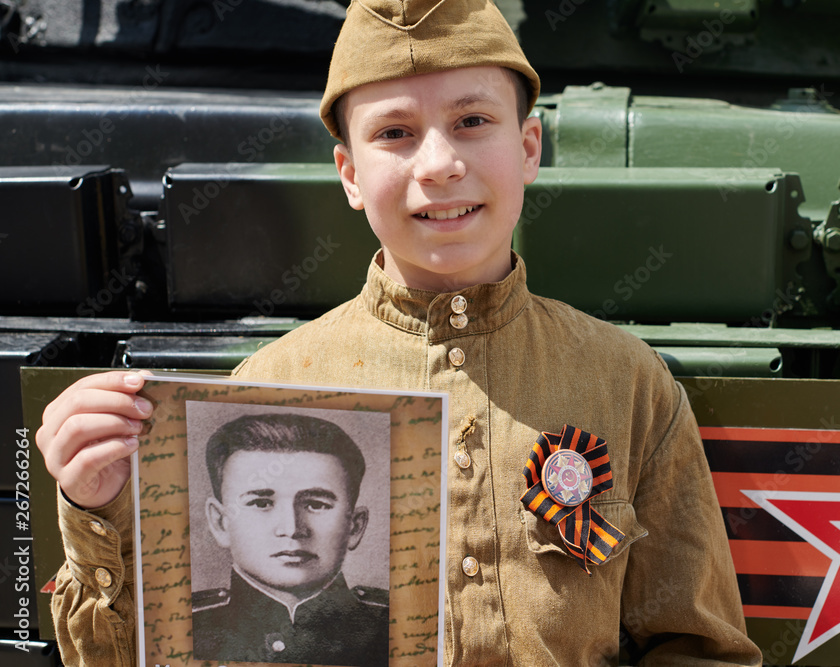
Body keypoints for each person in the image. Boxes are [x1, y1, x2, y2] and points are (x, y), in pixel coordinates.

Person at [35, 1, 764, 664]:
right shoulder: (270, 389)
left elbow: (698, 647)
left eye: (473, 121)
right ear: (349, 174)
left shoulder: (627, 383)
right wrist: (97, 509)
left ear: (530, 146)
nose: (440, 164)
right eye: (395, 133)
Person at [190, 413, 388, 666]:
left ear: (355, 526)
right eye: (261, 503)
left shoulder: (395, 624)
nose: (292, 529)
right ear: (220, 523)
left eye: (316, 504)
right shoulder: (182, 624)